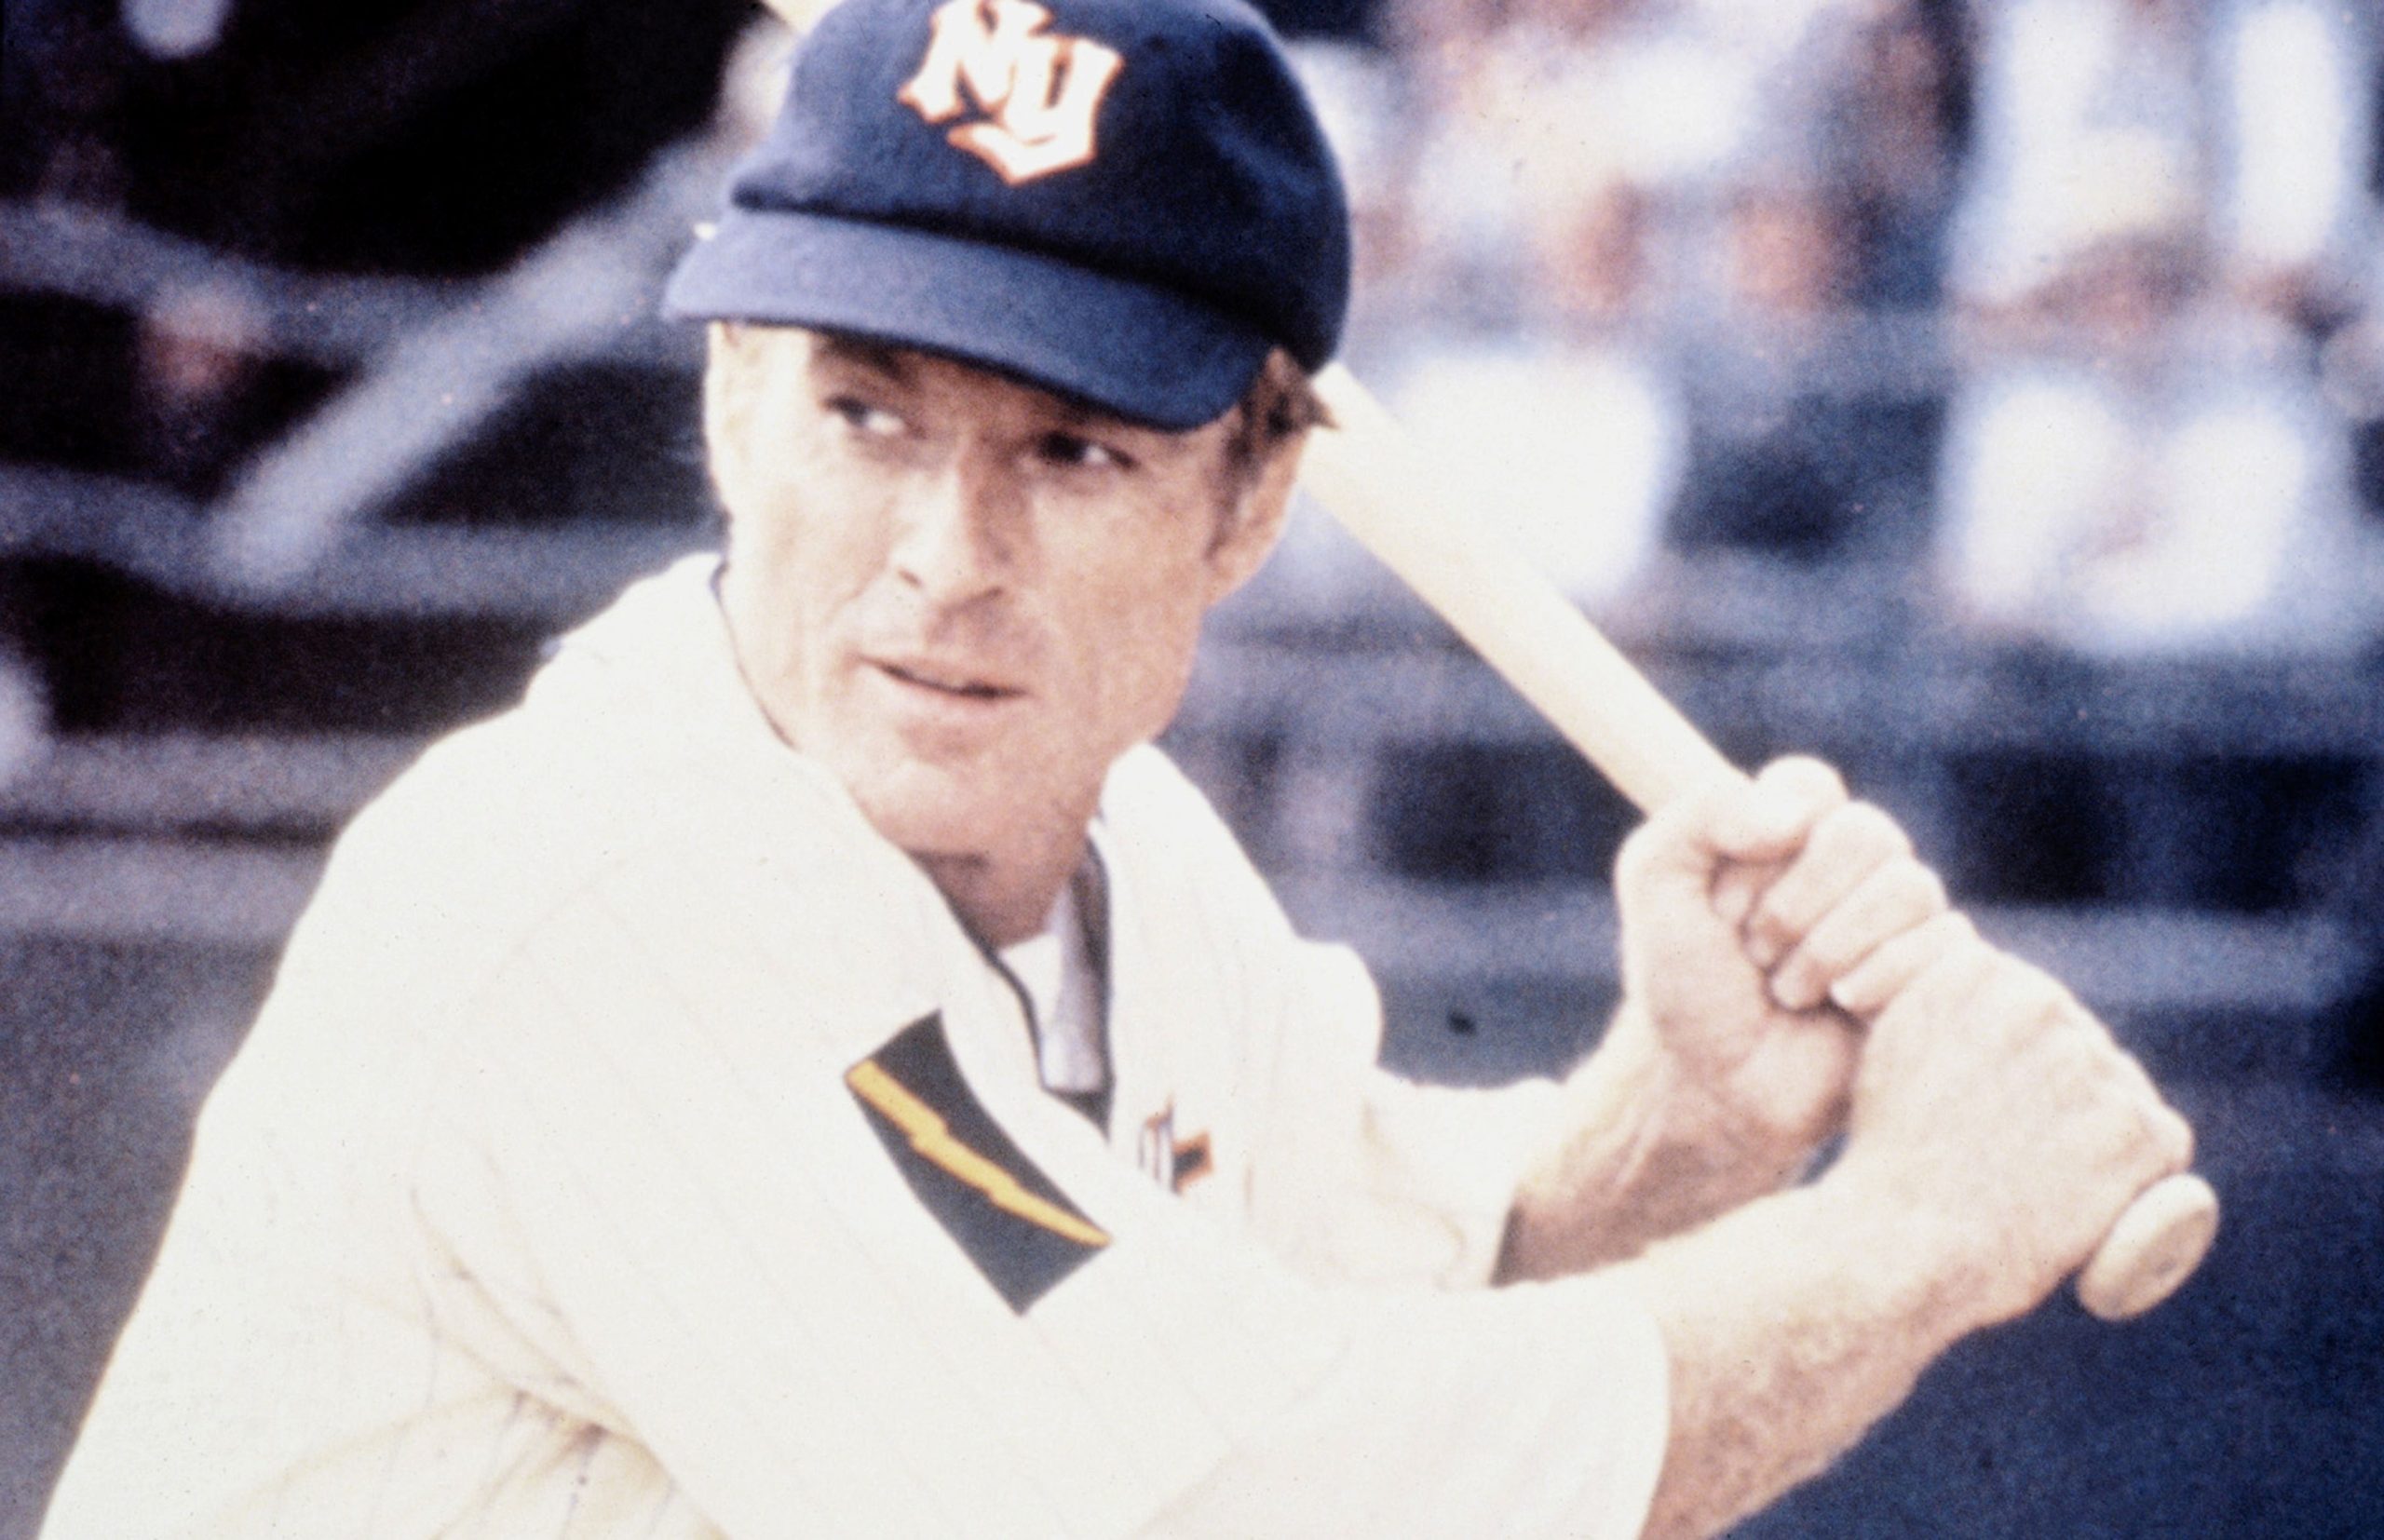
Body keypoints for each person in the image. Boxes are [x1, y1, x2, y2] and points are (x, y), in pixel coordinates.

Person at [41, 2, 2193, 1536]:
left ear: (1244, 506)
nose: (941, 557)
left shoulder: (1119, 855)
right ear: (727, 405)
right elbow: (1239, 1497)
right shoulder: (604, 889)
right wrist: (1914, 1231)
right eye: (865, 414)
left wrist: (1687, 1112)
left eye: (1070, 451)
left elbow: (1379, 1285)